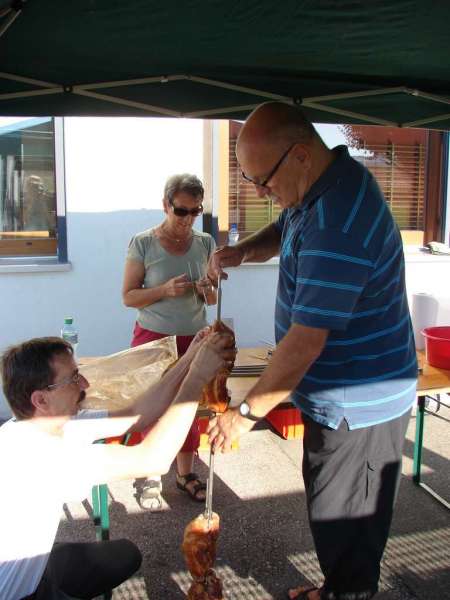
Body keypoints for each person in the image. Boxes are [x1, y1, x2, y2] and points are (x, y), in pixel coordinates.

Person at [207, 102, 417, 600]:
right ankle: (334, 587)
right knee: (331, 516)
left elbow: (304, 343)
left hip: (359, 409)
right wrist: (243, 250)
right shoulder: (321, 182)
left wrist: (242, 414)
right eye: (249, 179)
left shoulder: (337, 222)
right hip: (336, 397)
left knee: (349, 531)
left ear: (300, 154)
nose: (259, 191)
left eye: (263, 179)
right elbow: (285, 228)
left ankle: (345, 591)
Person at [0, 330, 234, 600]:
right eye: (73, 379)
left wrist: (190, 359)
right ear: (40, 400)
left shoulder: (41, 423)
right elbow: (153, 459)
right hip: (19, 595)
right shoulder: (41, 457)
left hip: (36, 569)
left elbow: (136, 415)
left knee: (124, 555)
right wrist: (197, 378)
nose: (85, 383)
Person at [122, 173, 217, 508]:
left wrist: (207, 289)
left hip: (193, 336)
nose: (188, 220)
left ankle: (185, 474)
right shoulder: (143, 242)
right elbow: (129, 297)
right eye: (181, 212)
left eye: (195, 212)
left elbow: (213, 299)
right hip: (153, 338)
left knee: (188, 404)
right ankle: (149, 476)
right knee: (153, 405)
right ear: (165, 205)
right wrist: (164, 290)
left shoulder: (205, 242)